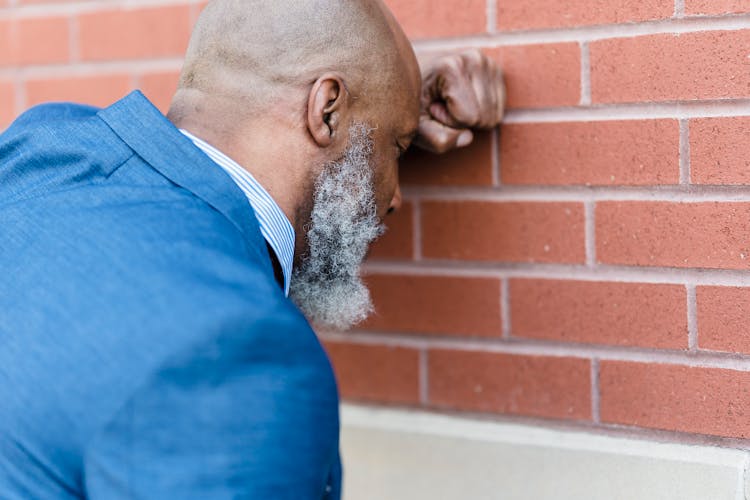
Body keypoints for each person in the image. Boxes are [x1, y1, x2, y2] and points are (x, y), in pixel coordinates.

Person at [0, 0, 505, 498]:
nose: (394, 197)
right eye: (397, 148)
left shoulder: (42, 149)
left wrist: (377, 111)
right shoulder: (241, 358)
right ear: (326, 110)